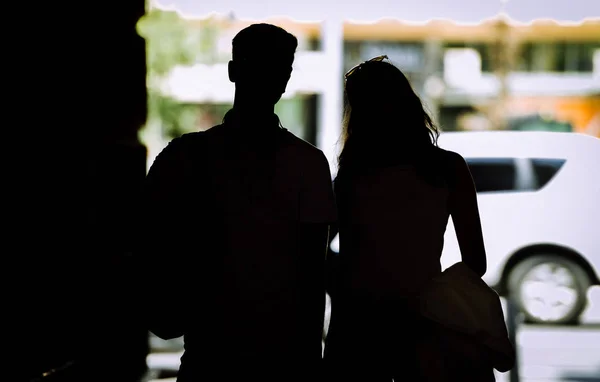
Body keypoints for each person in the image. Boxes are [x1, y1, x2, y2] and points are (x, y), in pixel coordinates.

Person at [138, 23, 337, 382]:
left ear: (232, 71)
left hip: (210, 352)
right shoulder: (308, 164)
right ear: (286, 77)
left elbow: (144, 243)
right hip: (282, 355)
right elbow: (311, 278)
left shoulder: (184, 156)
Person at [323, 56, 488, 381]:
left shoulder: (353, 173)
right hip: (423, 321)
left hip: (357, 323)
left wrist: (348, 281)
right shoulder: (449, 168)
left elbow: (319, 251)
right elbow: (476, 263)